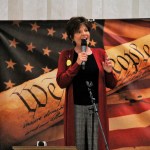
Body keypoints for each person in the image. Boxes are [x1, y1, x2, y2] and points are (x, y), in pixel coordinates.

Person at [56, 16, 117, 150]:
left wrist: (108, 71)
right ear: (72, 37)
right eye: (79, 31)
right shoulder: (66, 55)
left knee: (96, 145)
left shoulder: (100, 53)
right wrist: (76, 64)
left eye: (86, 30)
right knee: (78, 146)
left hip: (96, 107)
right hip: (76, 109)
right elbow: (61, 82)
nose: (84, 34)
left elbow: (112, 84)